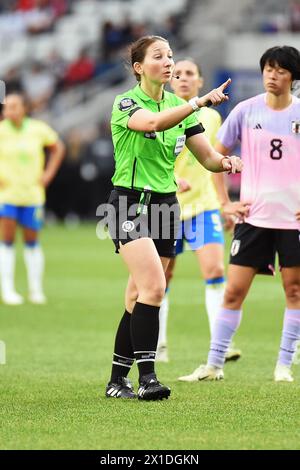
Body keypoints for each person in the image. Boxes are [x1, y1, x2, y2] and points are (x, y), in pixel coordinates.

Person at [104, 35, 243, 401]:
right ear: (138, 67)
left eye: (170, 55)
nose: (168, 62)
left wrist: (227, 162)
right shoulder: (127, 102)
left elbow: (208, 158)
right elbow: (152, 123)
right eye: (159, 57)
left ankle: (117, 380)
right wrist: (197, 101)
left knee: (138, 295)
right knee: (154, 288)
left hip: (166, 205)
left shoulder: (182, 109)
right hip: (129, 204)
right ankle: (148, 377)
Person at [193, 45, 300, 383]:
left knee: (294, 291)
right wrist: (225, 203)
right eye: (268, 68)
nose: (272, 74)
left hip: (292, 221)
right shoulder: (245, 111)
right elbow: (215, 159)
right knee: (233, 291)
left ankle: (283, 365)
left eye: (280, 70)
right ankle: (214, 364)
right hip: (253, 219)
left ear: (293, 77)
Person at [155, 58, 248, 371]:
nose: (182, 79)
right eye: (177, 74)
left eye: (189, 74)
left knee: (213, 271)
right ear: (170, 81)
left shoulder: (210, 117)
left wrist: (224, 204)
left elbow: (215, 162)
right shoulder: (161, 114)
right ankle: (159, 343)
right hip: (167, 206)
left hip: (203, 206)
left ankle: (220, 346)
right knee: (161, 277)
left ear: (200, 81)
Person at [0, 93, 65, 305]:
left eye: (14, 106)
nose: (9, 111)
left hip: (32, 194)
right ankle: (8, 290)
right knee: (7, 241)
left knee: (32, 241)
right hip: (7, 195)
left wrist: (48, 174)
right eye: (6, 107)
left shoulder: (37, 129)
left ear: (24, 108)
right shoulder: (1, 131)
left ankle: (35, 289)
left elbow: (58, 148)